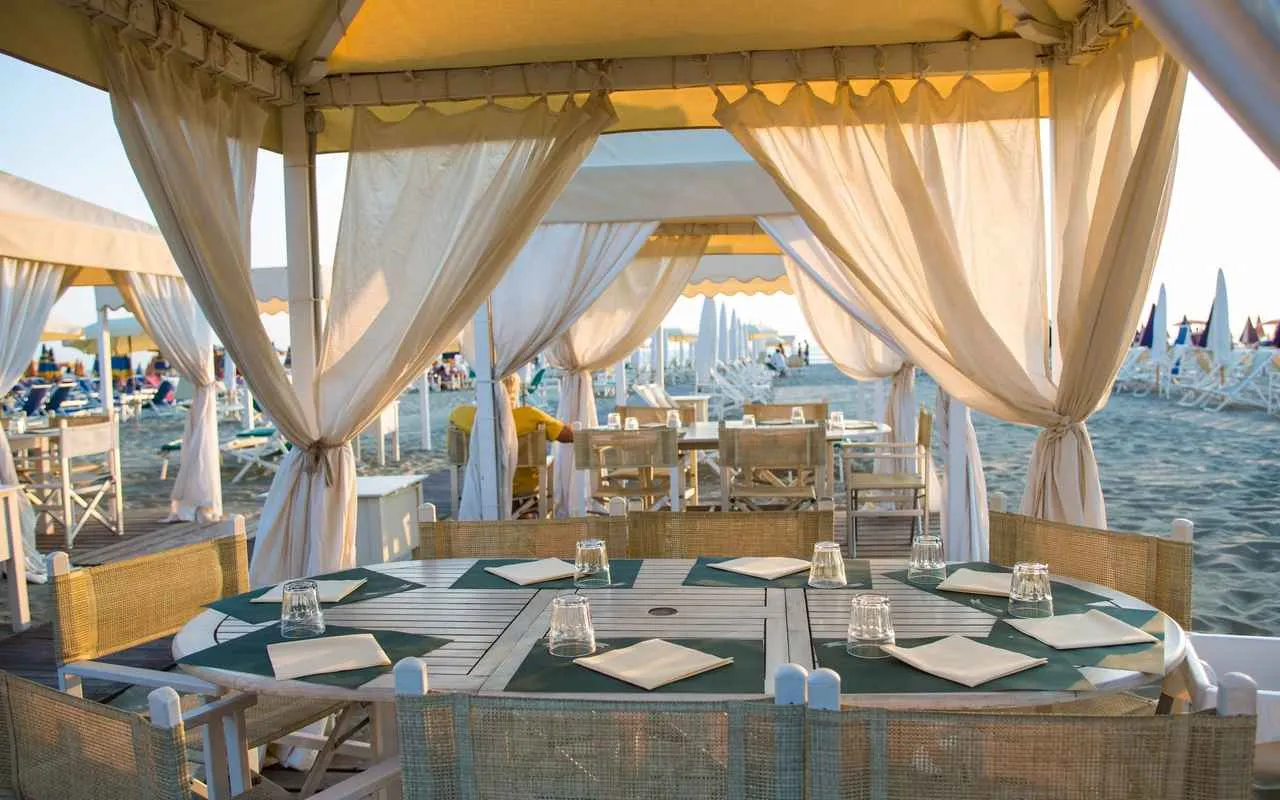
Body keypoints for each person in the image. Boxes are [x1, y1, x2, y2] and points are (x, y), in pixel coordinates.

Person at [448, 373, 573, 499]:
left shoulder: (460, 414)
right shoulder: (530, 416)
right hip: (522, 490)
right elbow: (568, 436)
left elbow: (454, 455)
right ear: (515, 391)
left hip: (480, 488)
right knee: (551, 460)